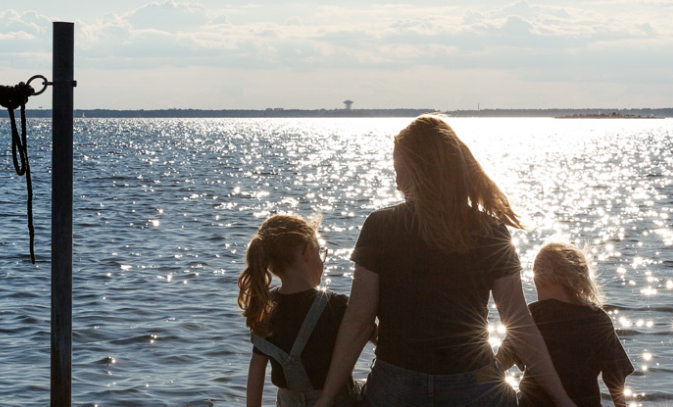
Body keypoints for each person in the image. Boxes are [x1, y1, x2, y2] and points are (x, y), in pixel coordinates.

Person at [313, 115, 578, 407]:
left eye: (399, 169)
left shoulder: (380, 226)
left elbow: (359, 321)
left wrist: (326, 398)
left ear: (418, 170)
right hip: (473, 386)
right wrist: (562, 398)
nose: (397, 180)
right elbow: (519, 322)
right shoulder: (490, 230)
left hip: (397, 385)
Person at [239, 214, 361, 407]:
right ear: (306, 252)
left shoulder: (265, 305)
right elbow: (378, 340)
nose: (322, 260)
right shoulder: (335, 305)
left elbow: (257, 366)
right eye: (320, 252)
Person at [497, 243, 634, 407]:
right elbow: (616, 377)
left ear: (542, 281)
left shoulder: (533, 315)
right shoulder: (598, 320)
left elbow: (499, 364)